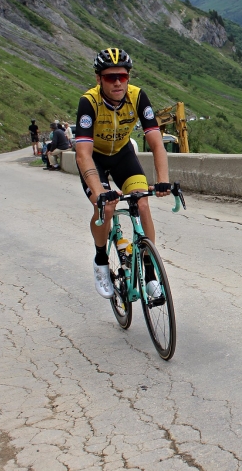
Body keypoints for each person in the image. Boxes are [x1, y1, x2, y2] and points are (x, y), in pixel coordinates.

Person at [75, 48, 171, 299]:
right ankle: (101, 261)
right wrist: (99, 192)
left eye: (122, 76)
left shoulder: (138, 97)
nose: (117, 82)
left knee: (142, 202)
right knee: (105, 208)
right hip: (94, 158)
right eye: (109, 77)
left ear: (128, 76)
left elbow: (156, 141)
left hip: (122, 155)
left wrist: (163, 180)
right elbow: (83, 153)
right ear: (99, 79)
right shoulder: (89, 102)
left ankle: (150, 274)